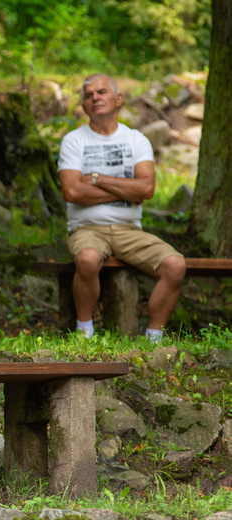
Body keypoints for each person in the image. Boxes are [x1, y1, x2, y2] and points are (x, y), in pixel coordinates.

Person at [58, 73, 186, 341]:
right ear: (83, 105)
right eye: (89, 95)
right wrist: (127, 191)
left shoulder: (136, 140)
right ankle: (84, 332)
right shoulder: (73, 141)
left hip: (129, 230)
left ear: (118, 99)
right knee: (88, 259)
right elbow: (71, 191)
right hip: (87, 228)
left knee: (175, 265)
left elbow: (146, 189)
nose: (95, 98)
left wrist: (96, 179)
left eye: (101, 92)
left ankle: (153, 337)